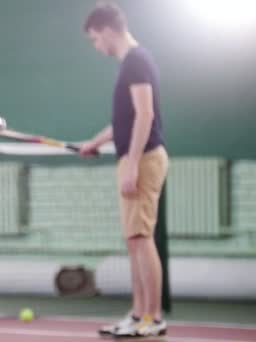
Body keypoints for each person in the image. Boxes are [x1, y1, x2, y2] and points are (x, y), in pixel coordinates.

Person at [80, 2, 169, 338]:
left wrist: (131, 165)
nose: (96, 46)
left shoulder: (136, 60)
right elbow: (124, 121)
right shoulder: (132, 63)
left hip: (143, 158)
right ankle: (137, 315)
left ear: (106, 30)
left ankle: (153, 317)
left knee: (142, 239)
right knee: (135, 240)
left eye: (94, 39)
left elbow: (145, 116)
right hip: (134, 157)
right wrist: (95, 142)